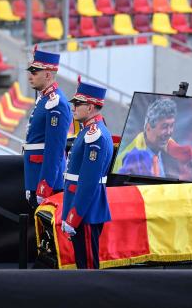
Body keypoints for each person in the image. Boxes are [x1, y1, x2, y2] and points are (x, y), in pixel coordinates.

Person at [61, 78, 113, 269]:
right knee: (83, 263)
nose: (73, 107)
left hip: (86, 210)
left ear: (90, 107)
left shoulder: (95, 134)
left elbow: (88, 182)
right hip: (82, 208)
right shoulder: (88, 131)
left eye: (77, 104)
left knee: (89, 267)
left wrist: (74, 216)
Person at [23, 46, 72, 210]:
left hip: (47, 183)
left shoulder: (55, 103)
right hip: (36, 176)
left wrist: (45, 185)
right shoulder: (45, 99)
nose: (30, 76)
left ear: (48, 74)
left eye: (35, 72)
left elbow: (55, 149)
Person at [116, 97, 192, 181]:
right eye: (164, 126)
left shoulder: (162, 146)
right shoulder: (133, 157)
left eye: (171, 126)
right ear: (148, 128)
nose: (169, 132)